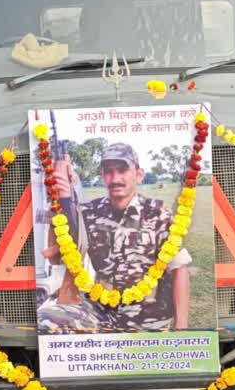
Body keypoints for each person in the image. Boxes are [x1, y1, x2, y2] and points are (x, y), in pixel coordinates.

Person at [40, 142, 191, 333]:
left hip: (148, 317)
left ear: (138, 174)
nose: (115, 178)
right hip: (100, 311)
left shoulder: (159, 214)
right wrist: (60, 202)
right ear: (103, 176)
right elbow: (55, 257)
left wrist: (181, 329)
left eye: (122, 170)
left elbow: (179, 269)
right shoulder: (87, 213)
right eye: (109, 171)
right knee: (46, 320)